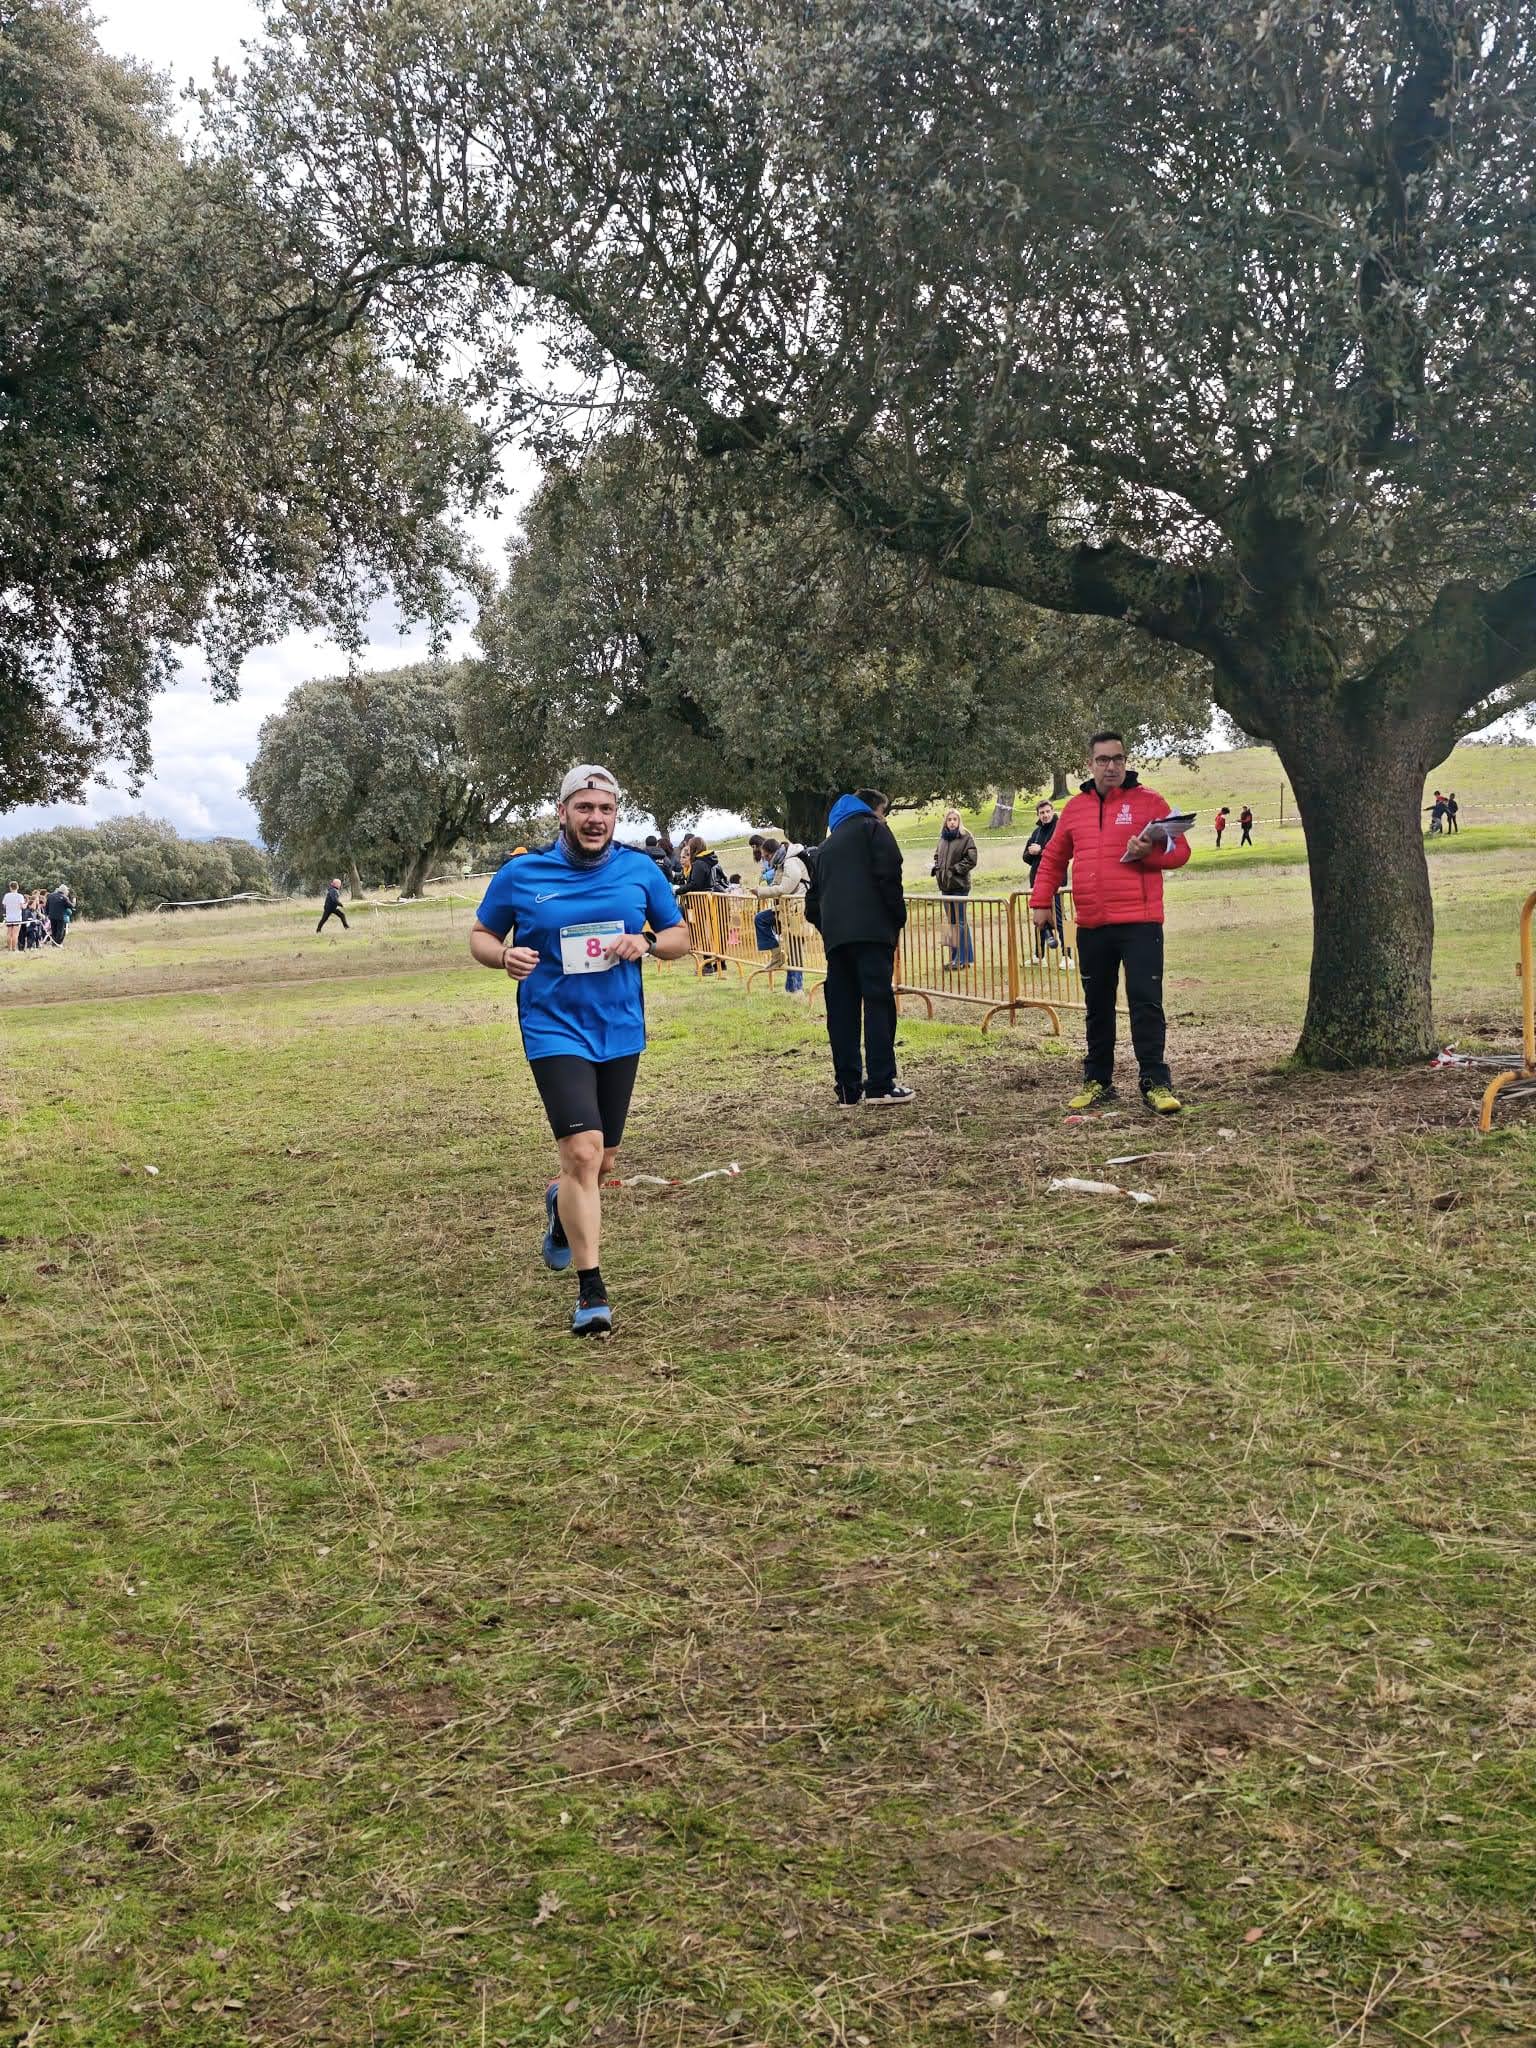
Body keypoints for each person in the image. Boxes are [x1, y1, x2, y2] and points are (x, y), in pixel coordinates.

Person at [469, 765, 692, 1337]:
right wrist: (502, 958)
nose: (596, 819)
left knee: (601, 1162)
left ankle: (560, 1206)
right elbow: (482, 935)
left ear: (616, 815)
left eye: (606, 809)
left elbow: (679, 938)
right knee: (584, 1152)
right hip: (553, 1027)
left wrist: (643, 940)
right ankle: (592, 1291)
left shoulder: (639, 870)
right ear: (564, 812)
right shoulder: (523, 873)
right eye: (585, 807)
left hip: (618, 1026)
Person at [1029, 731, 1190, 1115]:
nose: (1111, 766)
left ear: (1125, 760)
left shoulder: (1150, 802)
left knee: (1145, 1003)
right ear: (1090, 764)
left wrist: (1150, 852)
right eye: (1103, 760)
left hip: (1141, 923)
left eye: (1117, 758)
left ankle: (1155, 1082)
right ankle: (1098, 1081)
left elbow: (1181, 850)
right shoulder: (1075, 809)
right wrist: (1040, 903)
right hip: (1093, 925)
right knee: (1097, 1006)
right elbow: (1052, 859)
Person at [805, 789, 912, 1105]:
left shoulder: (825, 848)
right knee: (878, 1004)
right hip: (874, 934)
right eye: (885, 811)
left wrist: (832, 929)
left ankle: (848, 1089)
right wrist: (896, 920)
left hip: (837, 941)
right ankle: (880, 1083)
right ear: (874, 809)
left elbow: (812, 905)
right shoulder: (875, 830)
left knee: (842, 1012)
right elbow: (890, 877)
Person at [757, 835, 811, 993]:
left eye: (767, 856)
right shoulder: (781, 863)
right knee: (761, 920)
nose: (766, 860)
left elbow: (784, 888)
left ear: (773, 852)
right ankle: (777, 957)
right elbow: (777, 886)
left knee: (795, 948)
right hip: (786, 908)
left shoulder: (791, 862)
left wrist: (761, 892)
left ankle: (796, 988)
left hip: (798, 908)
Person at [931, 808, 978, 968]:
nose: (952, 822)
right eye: (949, 819)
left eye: (954, 819)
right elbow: (937, 855)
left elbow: (971, 860)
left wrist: (954, 870)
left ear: (959, 821)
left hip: (959, 885)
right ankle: (954, 957)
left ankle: (963, 959)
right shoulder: (942, 838)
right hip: (945, 885)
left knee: (960, 922)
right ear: (946, 821)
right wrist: (936, 868)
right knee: (950, 923)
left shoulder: (966, 837)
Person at [1022, 800, 1062, 955]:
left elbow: (1059, 852)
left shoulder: (1059, 829)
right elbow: (1025, 856)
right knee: (1040, 920)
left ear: (1052, 811)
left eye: (1047, 812)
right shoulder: (1036, 832)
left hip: (1057, 883)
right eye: (1042, 813)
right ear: (1038, 814)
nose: (1045, 815)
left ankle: (1068, 955)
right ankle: (1039, 955)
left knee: (1062, 920)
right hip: (1037, 881)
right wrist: (1032, 853)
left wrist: (1041, 850)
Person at [3, 883, 23, 952]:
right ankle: (14, 949)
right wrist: (25, 905)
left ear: (10, 887)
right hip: (17, 917)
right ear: (17, 887)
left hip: (9, 917)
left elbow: (4, 906)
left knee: (9, 933)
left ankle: (9, 949)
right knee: (15, 934)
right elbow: (21, 907)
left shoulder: (6, 895)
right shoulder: (20, 896)